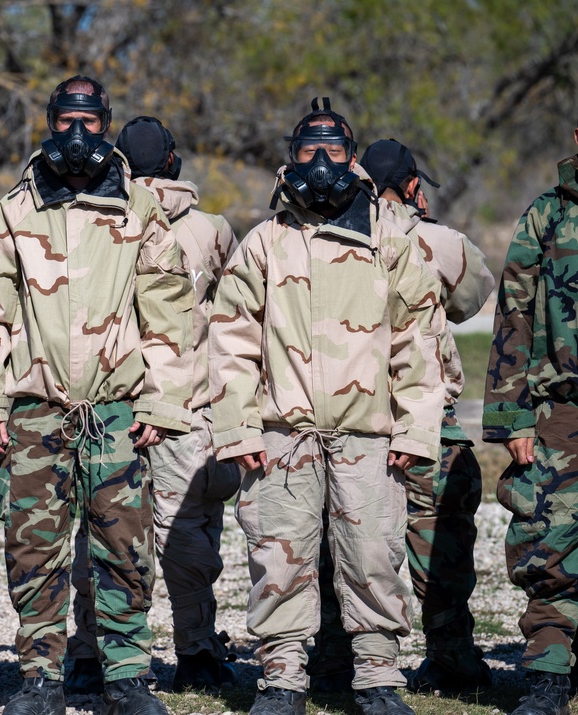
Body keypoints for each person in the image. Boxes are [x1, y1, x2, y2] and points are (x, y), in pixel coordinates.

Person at [0, 76, 194, 715]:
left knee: (126, 546)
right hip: (36, 411)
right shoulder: (19, 207)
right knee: (34, 548)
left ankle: (127, 680)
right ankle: (39, 680)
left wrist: (161, 402)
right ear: (51, 122)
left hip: (116, 412)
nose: (79, 134)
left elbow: (170, 313)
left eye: (90, 120)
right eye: (67, 121)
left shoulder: (141, 209)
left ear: (108, 122)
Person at [209, 98, 445, 715]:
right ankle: (283, 678)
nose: (319, 163)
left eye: (333, 152)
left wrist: (415, 436)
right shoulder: (267, 240)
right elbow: (230, 339)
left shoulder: (392, 236)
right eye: (306, 152)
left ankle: (377, 677)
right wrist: (238, 430)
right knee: (277, 555)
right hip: (282, 434)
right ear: (290, 159)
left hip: (369, 435)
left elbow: (418, 344)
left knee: (374, 555)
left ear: (353, 158)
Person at [307, 139, 496, 694]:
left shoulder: (322, 230)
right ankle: (450, 655)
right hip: (427, 416)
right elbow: (472, 301)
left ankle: (336, 659)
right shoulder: (437, 240)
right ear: (413, 187)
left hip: (350, 414)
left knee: (336, 539)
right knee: (438, 540)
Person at [66, 116, 241, 695]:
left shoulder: (97, 217)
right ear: (174, 164)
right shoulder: (211, 231)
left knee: (101, 529)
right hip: (181, 403)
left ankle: (92, 655)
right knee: (186, 534)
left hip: (108, 399)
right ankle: (195, 652)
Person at [483, 123, 578, 715]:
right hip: (560, 408)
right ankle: (549, 668)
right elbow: (512, 315)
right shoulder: (547, 215)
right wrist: (512, 416)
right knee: (548, 541)